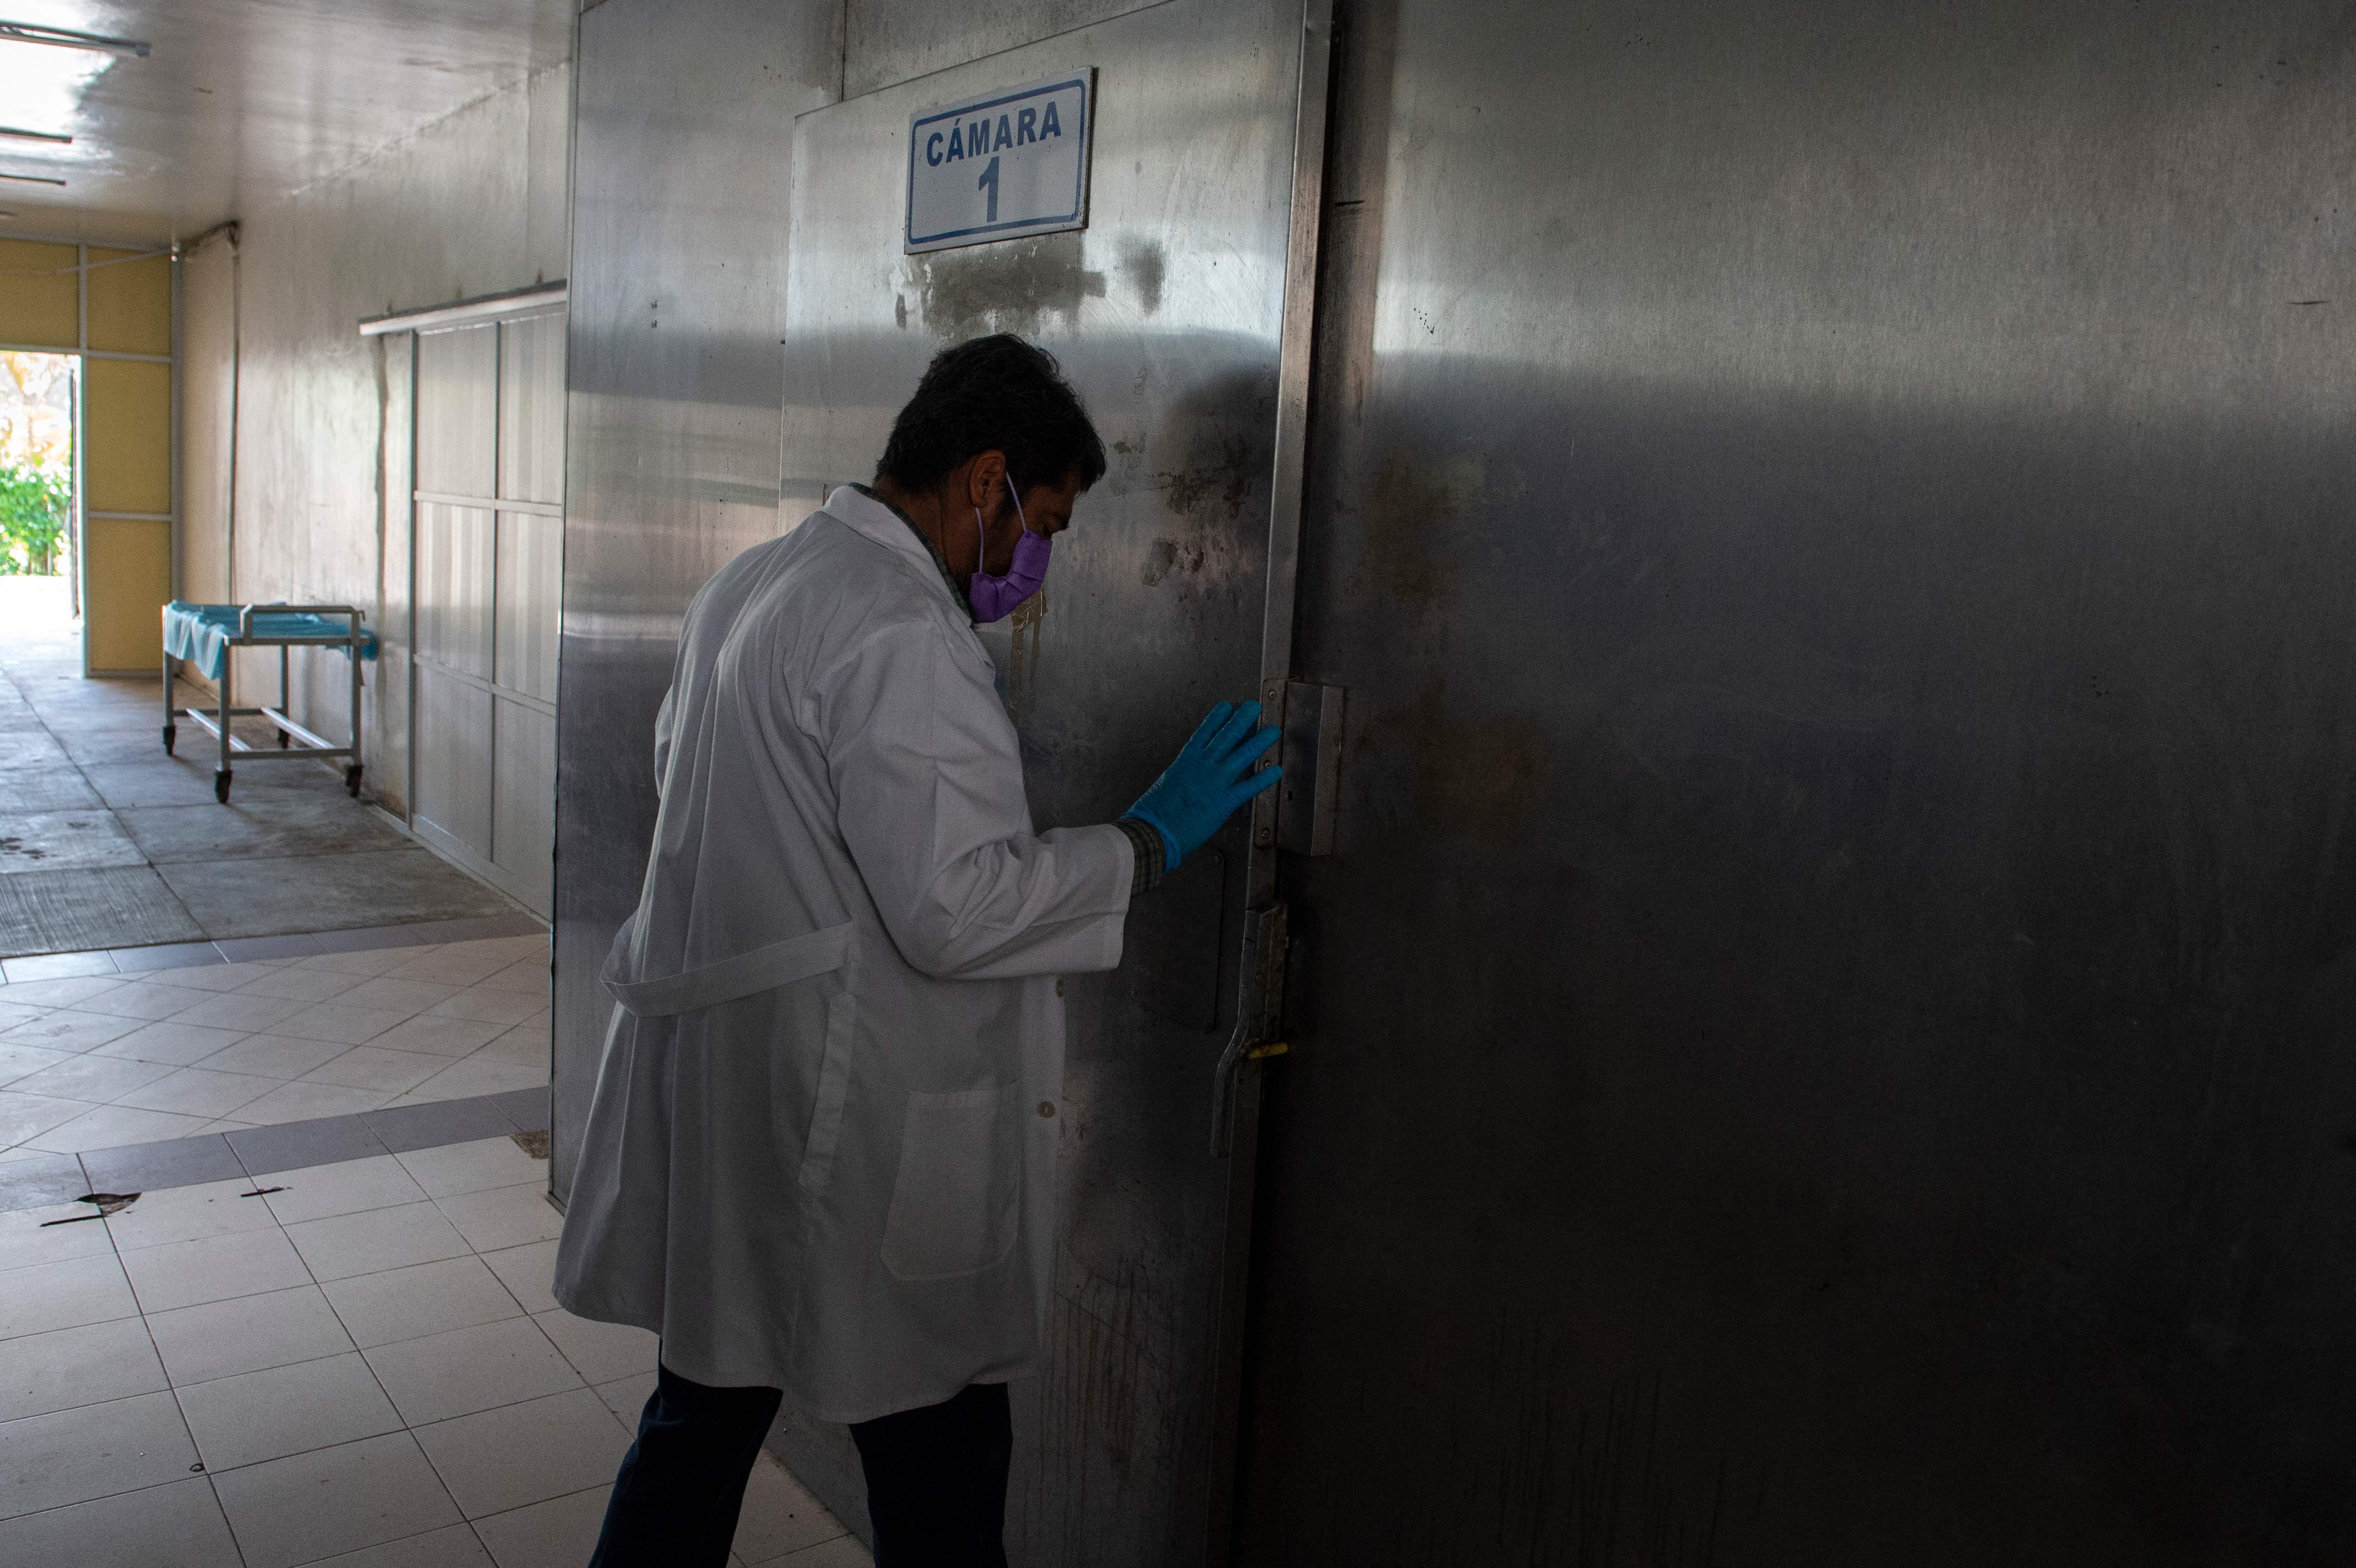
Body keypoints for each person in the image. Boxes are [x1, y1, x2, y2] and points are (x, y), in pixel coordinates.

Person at [553, 333, 1280, 1567]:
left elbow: (704, 795)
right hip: (843, 1115)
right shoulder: (902, 629)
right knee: (939, 1449)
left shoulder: (757, 582)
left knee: (699, 1419)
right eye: (1042, 522)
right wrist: (1146, 842)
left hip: (743, 1086)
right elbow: (959, 909)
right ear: (985, 479)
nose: (1035, 568)